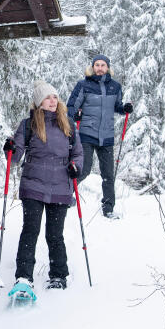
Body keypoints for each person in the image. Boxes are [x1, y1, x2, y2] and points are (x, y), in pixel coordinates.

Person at [2, 80, 83, 296]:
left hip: (60, 186)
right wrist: (10, 148)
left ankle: (58, 275)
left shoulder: (68, 125)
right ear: (39, 102)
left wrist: (76, 166)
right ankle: (23, 277)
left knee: (55, 235)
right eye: (48, 97)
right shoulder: (28, 125)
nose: (52, 101)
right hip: (33, 185)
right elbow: (16, 156)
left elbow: (78, 153)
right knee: (31, 231)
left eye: (55, 97)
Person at [66, 54, 132, 219]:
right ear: (93, 67)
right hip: (87, 133)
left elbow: (117, 106)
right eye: (97, 65)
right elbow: (71, 106)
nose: (100, 68)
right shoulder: (84, 85)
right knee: (84, 169)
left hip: (107, 135)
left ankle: (108, 208)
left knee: (108, 174)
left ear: (108, 67)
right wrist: (75, 115)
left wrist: (125, 108)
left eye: (103, 65)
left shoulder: (115, 86)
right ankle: (64, 195)